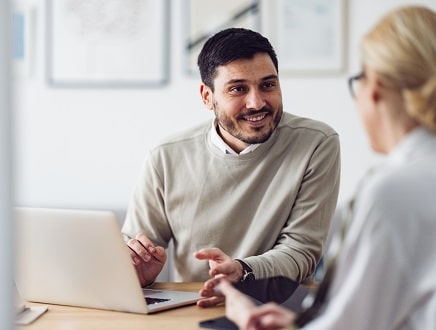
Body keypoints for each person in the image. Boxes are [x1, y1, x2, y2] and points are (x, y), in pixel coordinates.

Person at [216, 5, 436, 329]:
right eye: (238, 88)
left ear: (374, 89)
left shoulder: (392, 191)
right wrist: (296, 322)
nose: (256, 103)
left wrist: (249, 318)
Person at [122, 27, 341, 304]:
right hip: (193, 306)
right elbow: (135, 247)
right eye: (238, 88)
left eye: (268, 85)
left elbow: (302, 250)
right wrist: (138, 269)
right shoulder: (166, 156)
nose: (257, 102)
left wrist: (244, 271)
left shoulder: (316, 143)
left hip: (278, 307)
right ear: (206, 97)